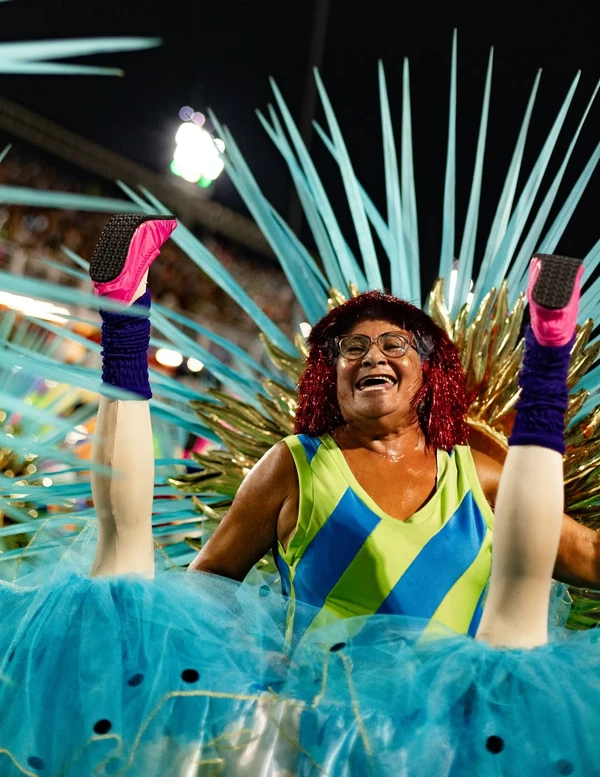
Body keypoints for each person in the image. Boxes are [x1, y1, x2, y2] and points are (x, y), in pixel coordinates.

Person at [1, 216, 599, 777]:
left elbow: (590, 559)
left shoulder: (484, 475)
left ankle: (548, 350)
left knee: (515, 640)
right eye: (351, 348)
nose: (371, 356)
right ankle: (124, 318)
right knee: (124, 592)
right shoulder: (293, 464)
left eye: (394, 344)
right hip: (313, 733)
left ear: (427, 373)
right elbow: (205, 589)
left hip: (450, 740)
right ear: (329, 378)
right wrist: (250, 656)